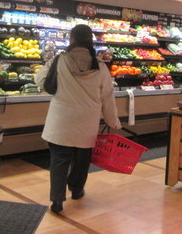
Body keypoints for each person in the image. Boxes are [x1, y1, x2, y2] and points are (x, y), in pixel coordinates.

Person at [35, 24, 121, 214]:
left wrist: (60, 88)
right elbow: (108, 96)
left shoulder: (60, 60)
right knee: (82, 160)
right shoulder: (100, 66)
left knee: (59, 159)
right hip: (87, 122)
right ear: (90, 40)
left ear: (72, 39)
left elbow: (40, 79)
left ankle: (57, 199)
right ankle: (76, 189)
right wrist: (112, 121)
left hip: (61, 120)